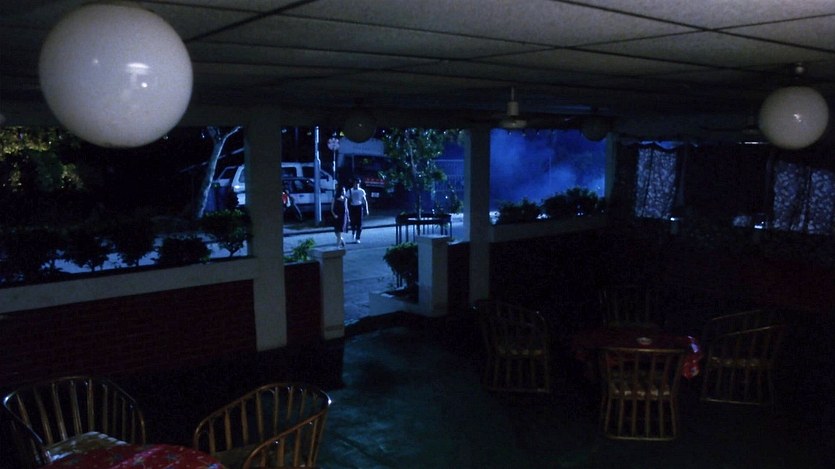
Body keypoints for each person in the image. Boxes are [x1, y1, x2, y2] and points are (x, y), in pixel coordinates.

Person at [347, 177, 369, 243]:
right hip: (352, 207)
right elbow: (346, 199)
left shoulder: (361, 191)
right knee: (353, 222)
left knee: (359, 223)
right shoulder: (350, 190)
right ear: (353, 184)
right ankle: (353, 232)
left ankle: (358, 238)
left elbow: (364, 200)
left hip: (359, 207)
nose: (356, 184)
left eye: (358, 183)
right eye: (355, 183)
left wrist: (367, 209)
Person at [331, 184, 349, 248]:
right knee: (336, 232)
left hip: (343, 217)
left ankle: (337, 247)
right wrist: (334, 215)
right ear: (340, 191)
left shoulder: (345, 199)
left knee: (339, 232)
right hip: (336, 216)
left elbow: (346, 209)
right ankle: (342, 240)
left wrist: (348, 217)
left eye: (344, 190)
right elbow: (332, 208)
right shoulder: (335, 198)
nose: (344, 192)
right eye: (343, 190)